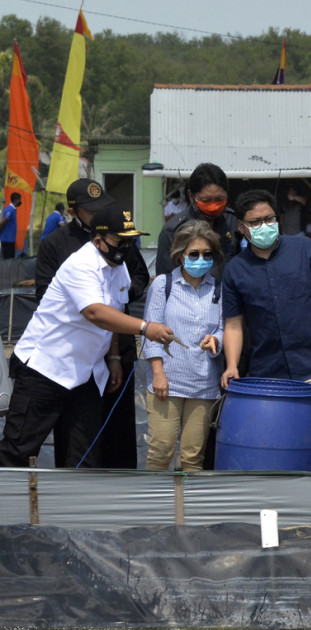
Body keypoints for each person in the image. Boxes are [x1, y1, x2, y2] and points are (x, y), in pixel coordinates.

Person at [0, 206, 173, 468]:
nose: (125, 246)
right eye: (119, 240)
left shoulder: (118, 266)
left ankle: (74, 508)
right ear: (98, 240)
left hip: (84, 374)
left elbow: (114, 311)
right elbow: (95, 312)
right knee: (18, 449)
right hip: (44, 370)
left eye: (129, 240)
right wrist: (145, 327)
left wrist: (113, 357)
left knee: (84, 456)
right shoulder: (80, 265)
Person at [220, 189, 311, 471]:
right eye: (255, 222)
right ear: (242, 227)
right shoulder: (235, 270)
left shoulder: (304, 249)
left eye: (269, 219)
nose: (264, 226)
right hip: (270, 378)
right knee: (276, 449)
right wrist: (231, 365)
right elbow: (233, 325)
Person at [36, 178, 151, 469]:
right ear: (74, 212)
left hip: (116, 343)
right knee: (77, 434)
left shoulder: (118, 237)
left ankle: (119, 494)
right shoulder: (55, 244)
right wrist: (93, 303)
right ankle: (77, 493)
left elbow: (138, 276)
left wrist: (115, 298)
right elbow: (45, 294)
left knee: (119, 428)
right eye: (91, 210)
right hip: (76, 353)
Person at [143, 221, 225, 472]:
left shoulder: (219, 289)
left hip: (204, 383)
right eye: (194, 254)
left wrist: (216, 340)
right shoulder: (163, 285)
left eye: (207, 254)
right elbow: (150, 331)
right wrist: (158, 374)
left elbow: (223, 327)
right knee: (161, 450)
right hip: (167, 381)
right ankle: (153, 508)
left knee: (193, 457)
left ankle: (189, 509)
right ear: (180, 255)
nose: (201, 259)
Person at [156, 163, 239, 277]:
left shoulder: (231, 220)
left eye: (219, 199)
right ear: (191, 196)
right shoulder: (173, 230)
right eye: (206, 200)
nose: (213, 206)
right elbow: (165, 277)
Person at [0, 192, 20, 259]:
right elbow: (3, 221)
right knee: (7, 259)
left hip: (11, 239)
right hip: (7, 239)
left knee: (11, 257)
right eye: (19, 200)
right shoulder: (10, 210)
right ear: (16, 200)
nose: (20, 201)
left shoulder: (13, 209)